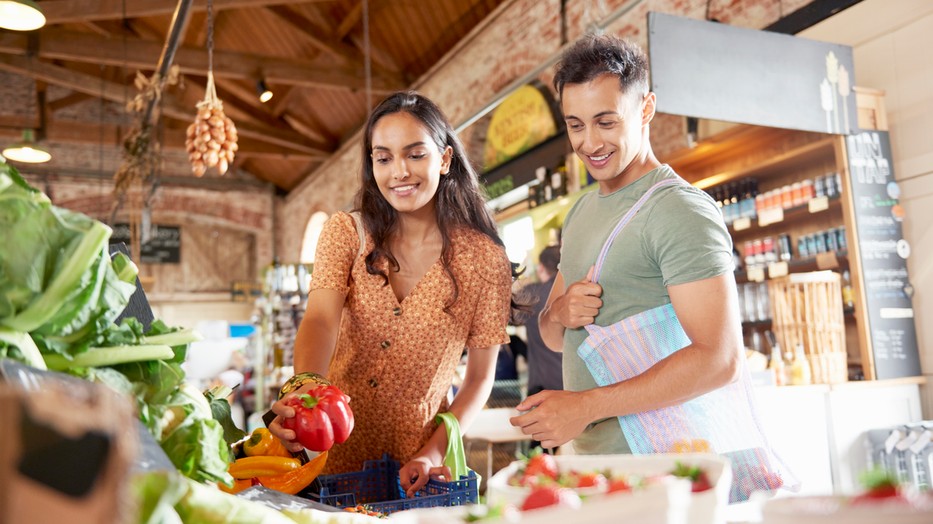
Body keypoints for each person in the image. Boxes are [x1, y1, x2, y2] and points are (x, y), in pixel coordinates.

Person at [509, 34, 793, 502]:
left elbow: (720, 359)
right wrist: (558, 312)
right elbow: (556, 337)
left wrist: (584, 406)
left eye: (606, 122)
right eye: (575, 125)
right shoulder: (580, 214)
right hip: (608, 471)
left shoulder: (679, 211)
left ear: (646, 109)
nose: (589, 142)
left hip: (677, 471)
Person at [269, 91, 515, 497]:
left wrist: (434, 453)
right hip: (325, 448)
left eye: (415, 154)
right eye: (383, 158)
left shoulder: (485, 259)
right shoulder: (347, 233)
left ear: (446, 159)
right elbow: (319, 320)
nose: (399, 171)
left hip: (415, 465)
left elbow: (479, 379)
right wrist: (304, 394)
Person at [517, 245, 563, 399]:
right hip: (579, 386)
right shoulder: (578, 290)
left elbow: (500, 314)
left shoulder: (532, 294)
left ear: (541, 268)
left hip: (545, 386)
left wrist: (523, 277)